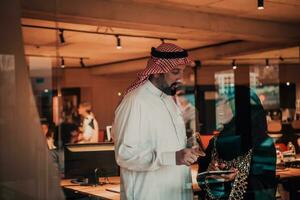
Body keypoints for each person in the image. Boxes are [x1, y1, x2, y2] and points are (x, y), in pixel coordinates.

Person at [113, 43, 204, 200]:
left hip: (176, 192)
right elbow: (124, 155)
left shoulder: (169, 101)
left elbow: (171, 146)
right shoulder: (135, 101)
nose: (180, 78)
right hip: (148, 194)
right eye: (175, 72)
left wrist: (188, 150)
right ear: (156, 73)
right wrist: (173, 157)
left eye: (182, 72)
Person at [197, 87, 276, 199]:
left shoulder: (262, 143)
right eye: (219, 103)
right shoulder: (215, 142)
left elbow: (266, 186)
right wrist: (209, 174)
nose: (219, 108)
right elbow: (200, 179)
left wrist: (238, 178)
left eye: (227, 103)